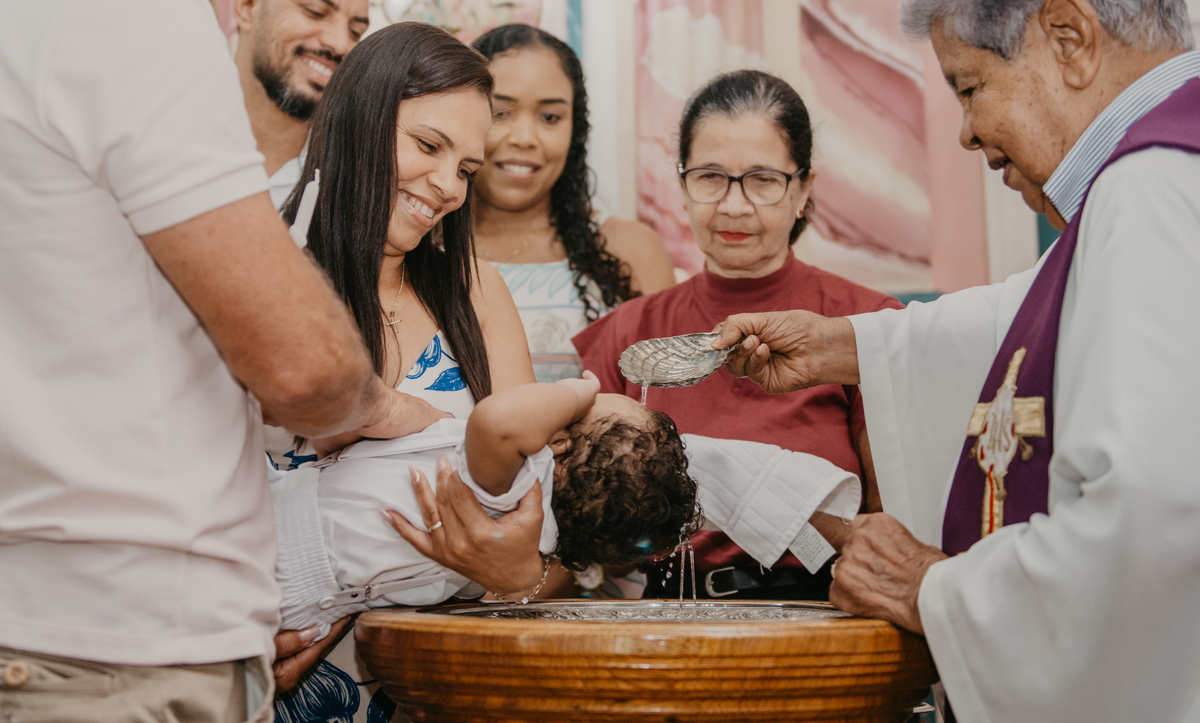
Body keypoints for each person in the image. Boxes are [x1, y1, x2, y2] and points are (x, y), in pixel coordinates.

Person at [712, 0, 1200, 719]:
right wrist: (843, 346)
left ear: (1070, 38)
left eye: (971, 87)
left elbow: (1151, 512)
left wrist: (931, 587)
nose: (967, 133)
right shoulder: (1166, 171)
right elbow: (1035, 314)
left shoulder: (1151, 186)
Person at [0, 1, 450, 720]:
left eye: (355, 24)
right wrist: (384, 406)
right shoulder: (135, 24)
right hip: (118, 636)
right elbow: (301, 367)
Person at [573, 69, 904, 600]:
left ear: (803, 189)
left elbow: (898, 521)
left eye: (763, 180)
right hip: (670, 615)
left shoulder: (867, 324)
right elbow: (591, 525)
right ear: (682, 184)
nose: (733, 205)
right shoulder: (632, 335)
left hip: (827, 608)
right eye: (710, 176)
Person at [270, 22, 535, 470]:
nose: (449, 186)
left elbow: (530, 471)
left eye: (466, 170)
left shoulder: (477, 291)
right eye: (429, 145)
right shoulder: (260, 275)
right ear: (360, 120)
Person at [271, 373, 699, 638]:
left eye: (588, 407)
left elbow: (496, 419)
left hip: (282, 535)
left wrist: (575, 391)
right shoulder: (531, 539)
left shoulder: (517, 480)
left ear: (556, 441)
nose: (592, 389)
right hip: (306, 598)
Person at [470, 25, 676, 383]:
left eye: (549, 117)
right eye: (500, 112)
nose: (524, 138)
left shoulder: (630, 250)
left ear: (574, 130)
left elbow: (665, 398)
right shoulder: (415, 247)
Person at [230, 0, 369, 208]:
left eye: (355, 32)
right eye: (315, 12)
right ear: (247, 7)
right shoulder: (179, 126)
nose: (341, 44)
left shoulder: (355, 186)